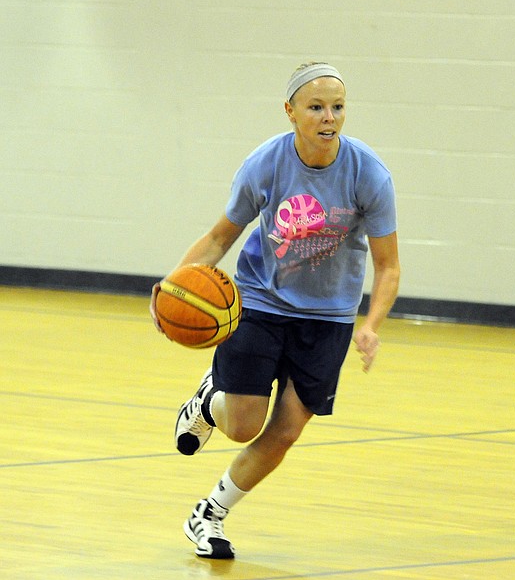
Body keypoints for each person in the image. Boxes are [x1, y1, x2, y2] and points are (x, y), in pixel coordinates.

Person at [150, 62, 401, 559]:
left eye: (338, 107)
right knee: (243, 425)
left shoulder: (369, 174)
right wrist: (172, 288)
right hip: (261, 303)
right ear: (290, 111)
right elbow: (220, 237)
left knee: (285, 432)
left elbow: (388, 266)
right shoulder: (265, 164)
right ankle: (209, 401)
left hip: (328, 319)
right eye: (316, 107)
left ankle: (209, 516)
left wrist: (371, 325)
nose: (329, 117)